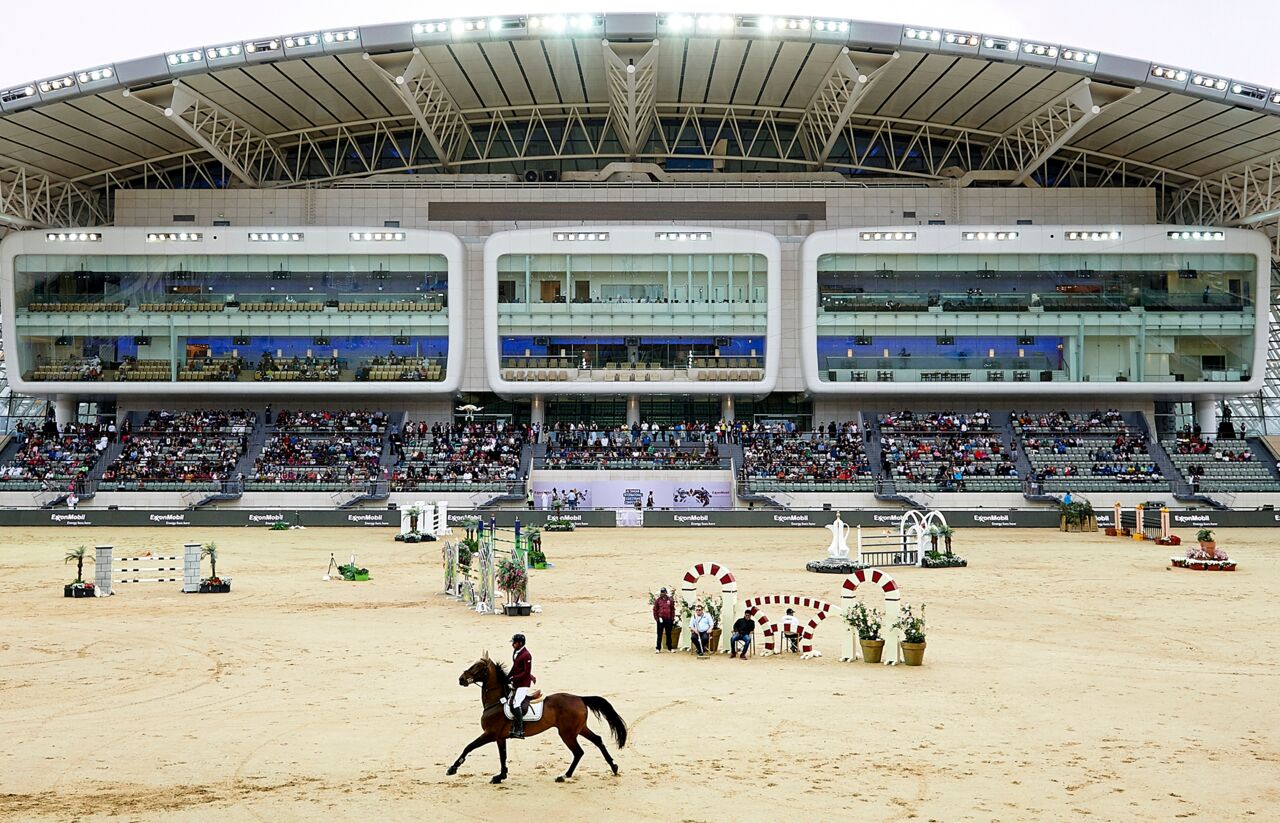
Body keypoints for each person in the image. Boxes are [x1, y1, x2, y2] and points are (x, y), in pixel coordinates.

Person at [509, 633, 535, 738]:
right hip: (516, 682)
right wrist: (507, 677)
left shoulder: (526, 655)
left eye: (514, 643)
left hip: (523, 684)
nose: (512, 645)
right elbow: (514, 667)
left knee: (516, 703)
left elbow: (526, 673)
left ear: (520, 643)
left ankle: (520, 730)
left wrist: (513, 678)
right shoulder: (516, 651)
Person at [652, 587, 677, 653]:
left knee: (668, 634)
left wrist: (672, 618)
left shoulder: (670, 600)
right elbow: (655, 610)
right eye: (661, 592)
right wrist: (657, 619)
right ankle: (658, 648)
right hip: (660, 619)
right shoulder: (658, 601)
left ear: (666, 593)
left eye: (663, 592)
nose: (662, 593)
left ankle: (670, 647)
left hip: (668, 619)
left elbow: (672, 609)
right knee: (659, 634)